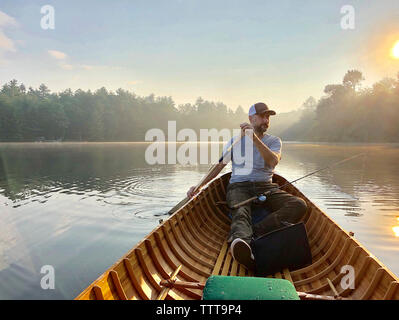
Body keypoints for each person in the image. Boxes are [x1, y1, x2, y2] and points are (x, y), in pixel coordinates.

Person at [187, 102, 307, 270]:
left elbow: (273, 162)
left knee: (298, 205)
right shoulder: (235, 142)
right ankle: (242, 243)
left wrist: (254, 138)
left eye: (268, 117)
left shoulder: (274, 141)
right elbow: (219, 166)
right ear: (251, 118)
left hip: (266, 186)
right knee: (241, 211)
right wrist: (199, 186)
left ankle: (256, 231)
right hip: (239, 186)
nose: (266, 120)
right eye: (263, 116)